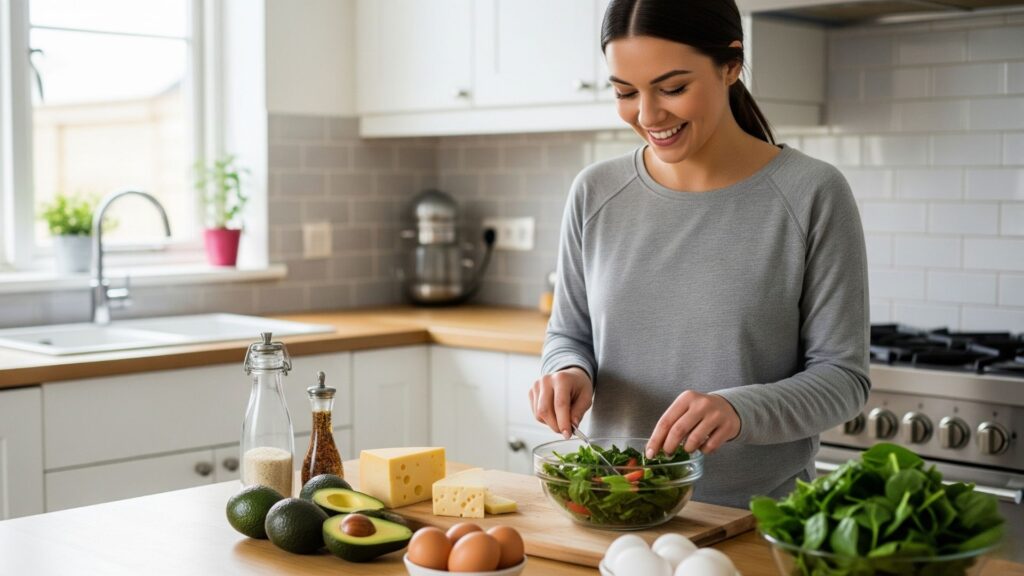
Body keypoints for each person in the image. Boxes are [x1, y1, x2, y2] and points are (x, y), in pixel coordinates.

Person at [529, 0, 870, 508]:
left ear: (731, 65)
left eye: (672, 88)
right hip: (613, 509)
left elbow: (843, 379)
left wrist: (739, 411)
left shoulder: (812, 194)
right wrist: (567, 371)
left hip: (756, 519)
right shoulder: (595, 192)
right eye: (625, 92)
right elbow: (568, 334)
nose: (647, 115)